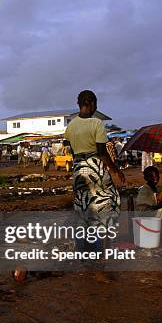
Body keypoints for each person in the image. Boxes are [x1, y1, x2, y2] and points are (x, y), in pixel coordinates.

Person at [64, 90, 125, 252]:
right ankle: (102, 251)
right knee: (107, 206)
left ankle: (82, 250)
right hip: (95, 168)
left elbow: (72, 151)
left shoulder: (70, 126)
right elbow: (102, 152)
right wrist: (115, 170)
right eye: (95, 104)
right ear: (91, 103)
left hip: (78, 169)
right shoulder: (97, 124)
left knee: (82, 207)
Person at [136, 166, 162, 244]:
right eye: (152, 176)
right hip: (145, 215)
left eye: (156, 176)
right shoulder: (144, 190)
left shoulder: (156, 188)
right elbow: (158, 200)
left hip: (153, 213)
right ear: (146, 178)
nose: (155, 178)